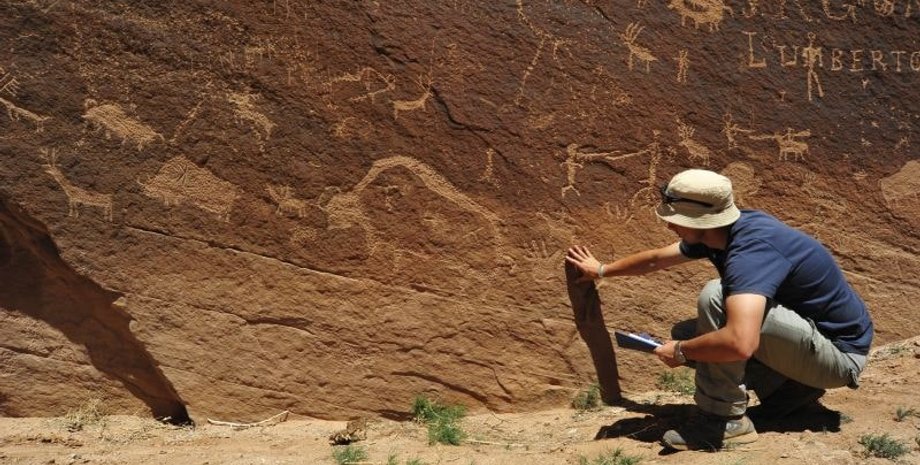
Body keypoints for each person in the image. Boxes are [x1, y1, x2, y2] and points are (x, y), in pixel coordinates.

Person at [565, 169, 873, 451]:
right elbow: (656, 260)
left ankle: (722, 423)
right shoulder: (724, 232)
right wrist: (602, 270)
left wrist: (683, 351)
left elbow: (741, 342)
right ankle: (789, 394)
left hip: (839, 357)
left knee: (715, 299)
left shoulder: (749, 253)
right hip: (814, 343)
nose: (668, 223)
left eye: (675, 217)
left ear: (701, 219)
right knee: (693, 332)